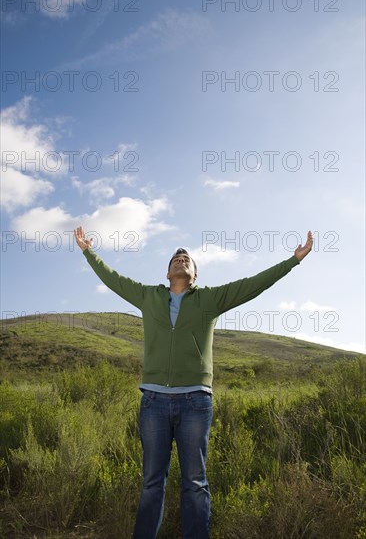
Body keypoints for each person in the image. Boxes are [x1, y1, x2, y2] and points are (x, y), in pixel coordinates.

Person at [73, 226, 313, 539]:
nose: (181, 260)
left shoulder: (210, 300)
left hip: (195, 402)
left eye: (187, 259)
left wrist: (293, 260)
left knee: (196, 484)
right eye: (176, 258)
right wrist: (88, 252)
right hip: (154, 403)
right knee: (150, 483)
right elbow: (113, 279)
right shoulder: (149, 296)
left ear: (194, 275)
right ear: (168, 272)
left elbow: (252, 285)